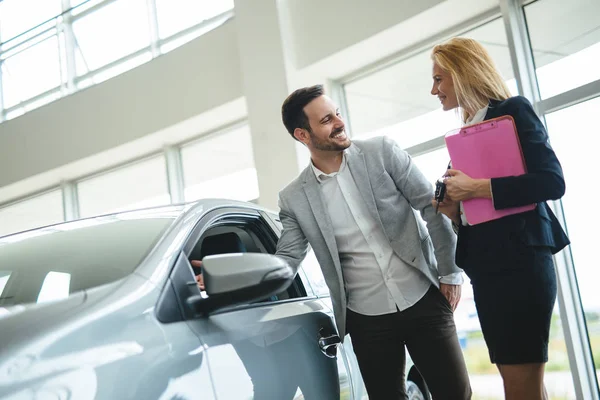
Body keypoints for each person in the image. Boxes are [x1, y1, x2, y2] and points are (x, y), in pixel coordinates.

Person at [274, 84, 472, 400]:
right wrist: (234, 281)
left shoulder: (382, 152)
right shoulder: (294, 197)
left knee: (455, 394)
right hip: (366, 319)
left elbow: (431, 208)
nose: (339, 122)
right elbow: (286, 259)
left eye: (337, 113)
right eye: (326, 120)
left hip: (423, 297)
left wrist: (449, 273)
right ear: (303, 135)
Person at [430, 37, 570, 400]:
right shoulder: (463, 137)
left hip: (521, 265)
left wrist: (476, 187)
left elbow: (552, 181)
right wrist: (453, 212)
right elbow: (479, 215)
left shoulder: (512, 112)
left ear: (462, 74)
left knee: (520, 386)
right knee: (522, 386)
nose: (434, 90)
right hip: (490, 270)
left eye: (439, 79)